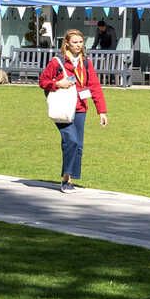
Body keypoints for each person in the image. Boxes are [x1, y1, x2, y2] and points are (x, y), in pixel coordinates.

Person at [40, 30, 109, 190]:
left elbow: (94, 86)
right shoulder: (57, 62)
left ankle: (70, 177)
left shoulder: (85, 62)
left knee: (77, 145)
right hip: (63, 108)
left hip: (80, 108)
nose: (78, 45)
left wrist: (102, 111)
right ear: (67, 44)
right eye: (75, 42)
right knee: (71, 140)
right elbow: (43, 81)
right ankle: (66, 178)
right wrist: (57, 84)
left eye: (80, 42)